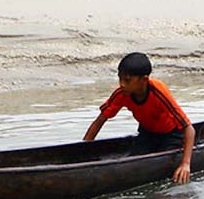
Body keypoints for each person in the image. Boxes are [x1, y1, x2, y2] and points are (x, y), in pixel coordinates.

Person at [83, 52, 195, 184]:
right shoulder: (121, 93)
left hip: (171, 134)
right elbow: (98, 122)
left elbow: (189, 129)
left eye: (127, 80)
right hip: (147, 133)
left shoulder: (159, 93)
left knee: (163, 168)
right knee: (135, 160)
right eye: (120, 79)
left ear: (144, 80)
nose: (122, 84)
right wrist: (84, 151)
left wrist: (186, 164)